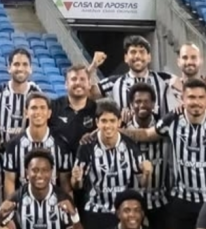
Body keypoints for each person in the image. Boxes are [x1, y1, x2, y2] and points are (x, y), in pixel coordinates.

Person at [122, 79, 206, 229]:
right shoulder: (172, 119)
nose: (196, 102)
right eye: (191, 97)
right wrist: (113, 131)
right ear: (183, 99)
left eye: (201, 97)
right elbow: (147, 134)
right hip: (181, 199)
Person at [72, 101, 150, 229]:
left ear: (119, 122)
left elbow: (143, 183)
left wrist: (147, 173)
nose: (108, 125)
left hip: (121, 212)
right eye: (104, 121)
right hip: (95, 210)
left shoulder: (130, 145)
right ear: (97, 122)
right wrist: (76, 179)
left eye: (112, 121)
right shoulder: (87, 147)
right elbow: (77, 186)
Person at [2, 93, 73, 198]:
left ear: (49, 113)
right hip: (24, 206)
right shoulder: (13, 145)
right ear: (26, 112)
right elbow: (9, 182)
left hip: (52, 208)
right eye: (34, 108)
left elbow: (65, 185)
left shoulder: (61, 145)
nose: (38, 112)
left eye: (42, 108)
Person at [0, 149, 81, 229]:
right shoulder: (16, 198)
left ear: (52, 172)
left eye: (45, 170)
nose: (40, 175)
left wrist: (74, 215)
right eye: (35, 170)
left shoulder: (63, 198)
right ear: (27, 173)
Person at [125, 83, 171, 228]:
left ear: (153, 104)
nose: (142, 105)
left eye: (146, 101)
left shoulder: (165, 129)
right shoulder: (123, 129)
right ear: (131, 104)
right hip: (132, 201)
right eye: (138, 102)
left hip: (160, 200)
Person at [93, 36, 173, 114]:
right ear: (126, 58)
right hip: (126, 127)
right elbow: (87, 93)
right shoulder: (114, 83)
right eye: (133, 52)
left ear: (149, 57)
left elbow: (184, 89)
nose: (137, 56)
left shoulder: (165, 79)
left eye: (142, 52)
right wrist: (93, 66)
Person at [0, 48, 42, 141]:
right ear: (9, 68)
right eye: (16, 64)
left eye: (25, 64)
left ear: (31, 69)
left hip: (27, 153)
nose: (20, 68)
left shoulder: (38, 97)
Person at [50, 65, 98, 153]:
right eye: (74, 79)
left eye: (82, 79)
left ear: (89, 84)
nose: (78, 83)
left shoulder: (97, 110)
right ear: (66, 84)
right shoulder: (53, 107)